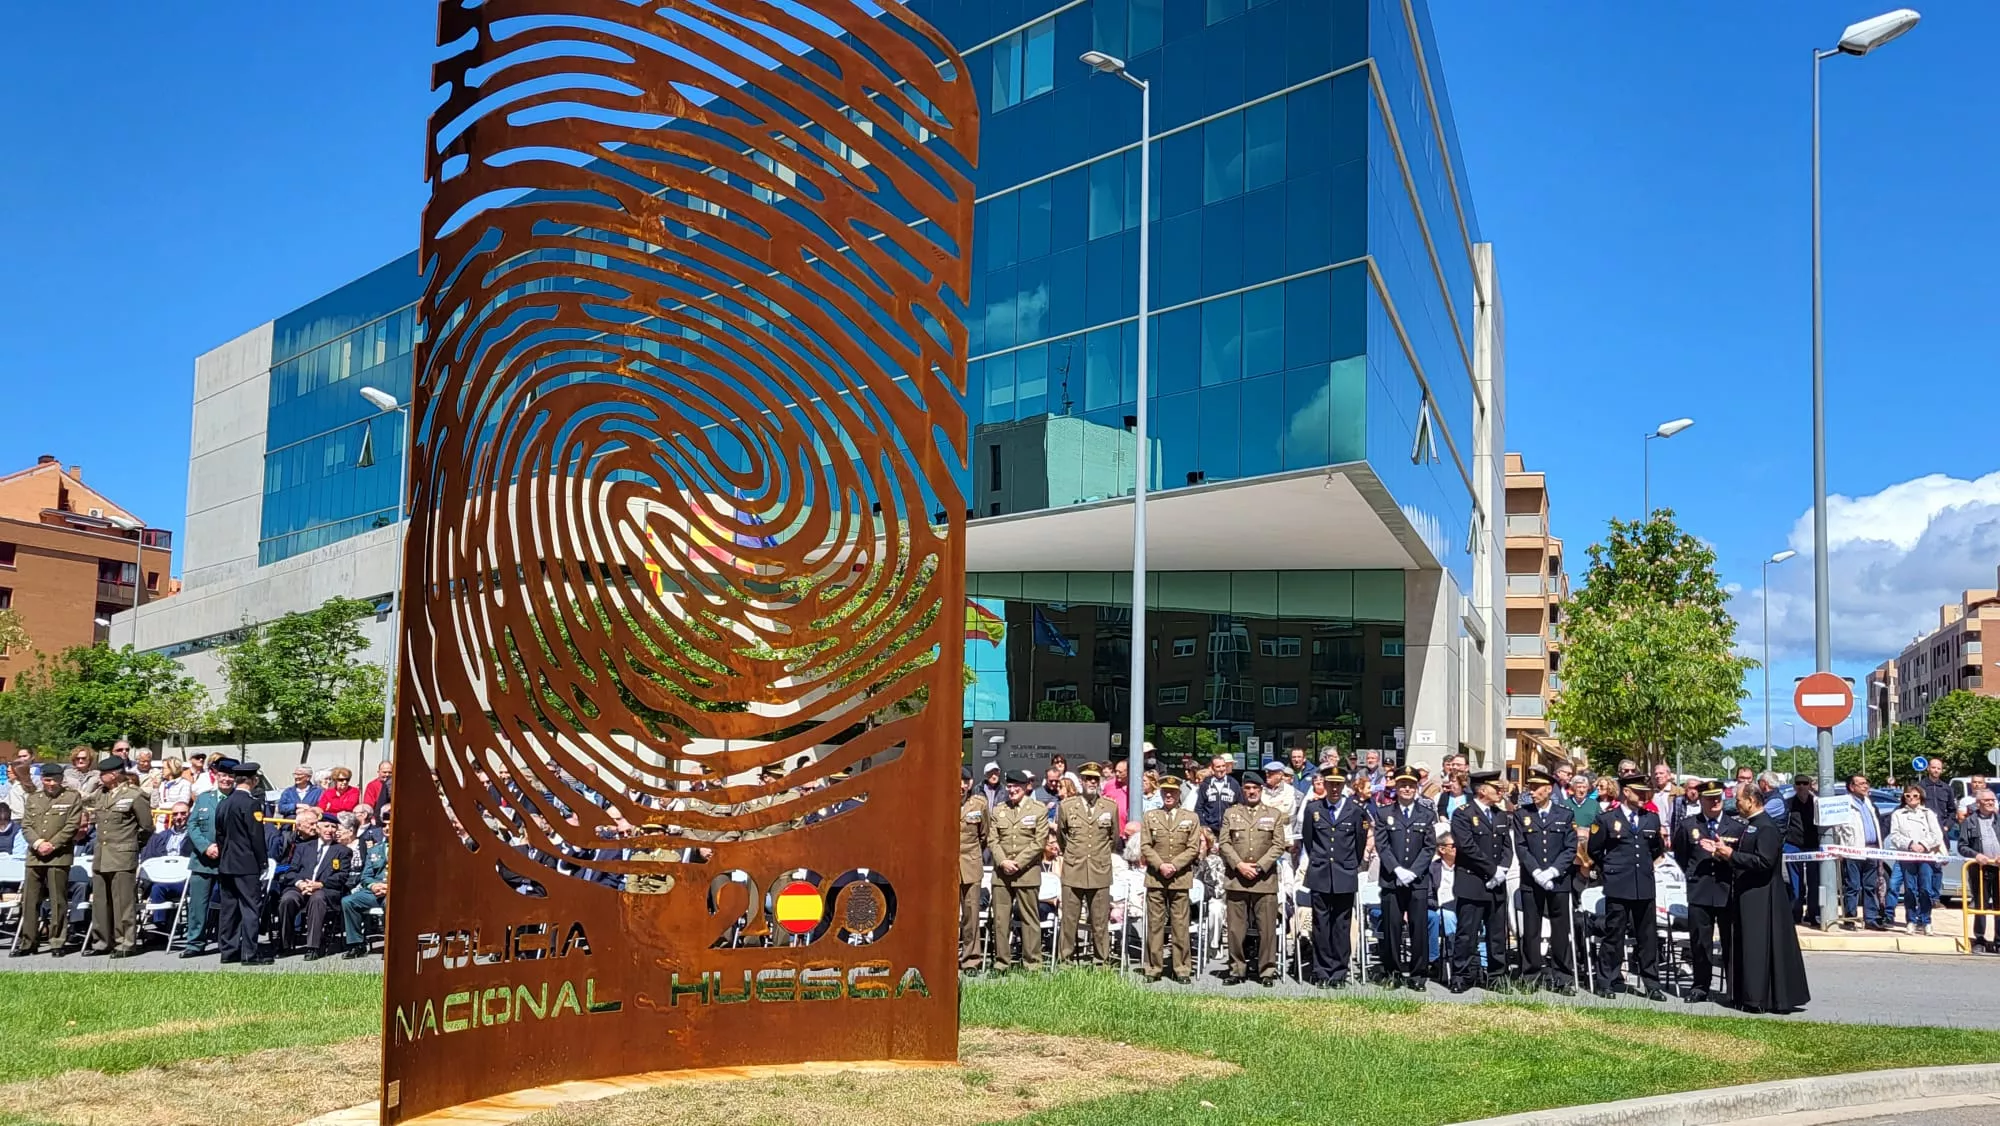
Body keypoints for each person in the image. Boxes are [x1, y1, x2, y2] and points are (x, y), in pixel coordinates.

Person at [1717, 783, 1810, 1012]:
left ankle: (1758, 998)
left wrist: (1732, 856)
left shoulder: (1766, 827)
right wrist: (1726, 855)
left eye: (1739, 800)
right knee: (1747, 944)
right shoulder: (1751, 826)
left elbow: (1764, 861)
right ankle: (1745, 994)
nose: (1736, 804)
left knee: (1758, 945)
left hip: (1763, 895)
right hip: (1748, 893)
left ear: (1751, 800)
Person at [1587, 774, 1667, 1000]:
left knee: (1647, 937)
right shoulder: (1607, 819)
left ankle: (1651, 984)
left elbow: (1655, 849)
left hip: (1643, 884)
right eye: (1639, 792)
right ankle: (1607, 981)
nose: (1644, 796)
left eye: (1646, 792)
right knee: (1614, 935)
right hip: (1618, 884)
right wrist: (1612, 868)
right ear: (1626, 792)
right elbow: (1595, 850)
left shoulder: (1651, 819)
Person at [1671, 781, 1742, 1004]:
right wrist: (1693, 875)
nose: (1715, 802)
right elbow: (1682, 855)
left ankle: (1734, 988)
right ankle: (1700, 986)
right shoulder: (1688, 825)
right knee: (1701, 943)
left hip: (1726, 890)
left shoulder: (1736, 827)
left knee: (1730, 942)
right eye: (1710, 798)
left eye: (1718, 797)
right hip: (1700, 891)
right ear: (1700, 800)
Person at [1299, 767, 1367, 988]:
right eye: (1331, 784)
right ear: (1324, 785)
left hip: (1344, 875)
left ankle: (1338, 971)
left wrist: (1347, 865)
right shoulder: (1313, 809)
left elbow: (1359, 844)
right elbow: (1309, 841)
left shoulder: (1355, 811)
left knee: (1341, 925)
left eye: (1338, 784)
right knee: (1321, 925)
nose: (1335, 788)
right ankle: (1321, 970)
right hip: (1320, 874)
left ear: (1344, 786)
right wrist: (1320, 862)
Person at [1513, 770, 1578, 994]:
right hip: (1532, 881)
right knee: (1531, 930)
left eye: (1536, 788)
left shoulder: (1565, 814)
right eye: (1530, 787)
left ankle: (1563, 978)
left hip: (1558, 881)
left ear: (1549, 789)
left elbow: (1570, 848)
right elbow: (1521, 847)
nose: (1532, 792)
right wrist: (1537, 873)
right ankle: (1530, 976)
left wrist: (1552, 871)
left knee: (1561, 931)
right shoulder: (1522, 814)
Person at [1448, 771, 1512, 992]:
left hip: (1497, 884)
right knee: (1467, 933)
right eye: (1496, 788)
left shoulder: (1501, 815)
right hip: (1472, 882)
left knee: (1496, 934)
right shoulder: (1462, 814)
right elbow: (1467, 847)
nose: (1500, 792)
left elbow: (1506, 847)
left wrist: (1502, 870)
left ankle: (1496, 976)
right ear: (1482, 790)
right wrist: (1492, 870)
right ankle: (1461, 976)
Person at [10, 768, 84, 957]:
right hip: (35, 855)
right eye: (47, 780)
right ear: (42, 779)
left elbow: (72, 825)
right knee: (30, 901)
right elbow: (26, 825)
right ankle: (28, 942)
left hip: (58, 855)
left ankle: (57, 941)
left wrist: (52, 844)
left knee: (58, 901)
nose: (51, 784)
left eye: (55, 780)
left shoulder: (71, 797)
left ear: (61, 780)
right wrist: (37, 843)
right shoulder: (34, 798)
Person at [1219, 771, 1282, 986]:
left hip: (1264, 880)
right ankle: (1237, 969)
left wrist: (1260, 866)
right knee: (1236, 930)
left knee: (1267, 929)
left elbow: (1278, 845)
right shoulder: (1231, 813)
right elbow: (1224, 843)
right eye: (1247, 788)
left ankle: (1266, 971)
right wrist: (1239, 865)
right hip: (1237, 878)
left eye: (1255, 788)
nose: (1251, 792)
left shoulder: (1274, 814)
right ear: (1243, 790)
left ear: (1261, 789)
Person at [85, 757, 153, 958]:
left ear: (114, 774)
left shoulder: (134, 795)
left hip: (123, 855)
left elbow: (147, 827)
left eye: (102, 774)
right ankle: (102, 942)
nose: (100, 778)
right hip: (102, 855)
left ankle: (125, 942)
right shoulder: (101, 794)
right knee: (100, 902)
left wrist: (132, 845)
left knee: (123, 902)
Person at [1374, 769, 1435, 991]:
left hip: (1417, 882)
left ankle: (1418, 974)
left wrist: (1413, 872)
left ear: (1417, 787)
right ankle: (1393, 972)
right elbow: (1382, 845)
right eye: (1403, 785)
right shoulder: (1383, 813)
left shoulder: (1426, 814)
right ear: (1396, 787)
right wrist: (1398, 870)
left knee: (1419, 928)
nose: (1407, 789)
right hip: (1392, 880)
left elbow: (1429, 847)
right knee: (1392, 928)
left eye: (1411, 785)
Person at [1053, 763, 1118, 966]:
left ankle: (1101, 961)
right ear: (1081, 781)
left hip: (1099, 869)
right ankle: (1066, 960)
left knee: (1099, 920)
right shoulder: (1066, 806)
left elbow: (1113, 838)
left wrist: (1098, 854)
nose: (1092, 782)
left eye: (1095, 779)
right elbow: (1062, 837)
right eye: (1088, 778)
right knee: (1070, 919)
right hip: (1074, 868)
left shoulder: (1109, 806)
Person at [1139, 776, 1200, 982]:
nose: (1168, 795)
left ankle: (1181, 968)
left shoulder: (1190, 818)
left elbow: (1193, 848)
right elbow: (1145, 845)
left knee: (1180, 925)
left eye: (1172, 792)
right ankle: (1153, 968)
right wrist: (1160, 865)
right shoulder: (1151, 816)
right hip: (1156, 877)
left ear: (1178, 794)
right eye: (1165, 791)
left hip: (1180, 877)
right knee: (1155, 924)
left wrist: (1174, 865)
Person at [212, 759, 272, 964]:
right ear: (254, 780)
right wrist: (262, 861)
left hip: (226, 862)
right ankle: (249, 953)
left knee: (229, 909)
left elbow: (219, 835)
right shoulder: (251, 803)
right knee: (249, 908)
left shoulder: (223, 802)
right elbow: (256, 836)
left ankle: (228, 951)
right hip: (246, 864)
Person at [988, 769, 1048, 972]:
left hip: (1027, 873)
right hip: (1002, 874)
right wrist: (1003, 861)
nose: (1012, 790)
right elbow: (992, 839)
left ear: (1025, 787)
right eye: (1010, 786)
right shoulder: (998, 810)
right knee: (1000, 920)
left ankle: (1032, 964)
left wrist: (1018, 862)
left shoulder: (1038, 809)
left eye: (1016, 786)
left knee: (1029, 919)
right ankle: (1001, 963)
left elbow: (1039, 842)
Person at [277, 817, 353, 958]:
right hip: (301, 888)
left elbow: (342, 876)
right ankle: (284, 944)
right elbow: (291, 872)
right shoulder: (303, 848)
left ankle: (313, 946)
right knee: (287, 899)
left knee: (317, 899)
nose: (329, 830)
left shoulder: (342, 851)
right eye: (326, 826)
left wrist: (320, 884)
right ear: (318, 828)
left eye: (333, 827)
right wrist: (301, 883)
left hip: (325, 890)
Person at [1828, 774, 1888, 930]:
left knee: (1870, 886)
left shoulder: (1869, 803)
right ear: (1851, 787)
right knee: (1853, 886)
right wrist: (1839, 849)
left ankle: (1871, 918)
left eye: (1866, 783)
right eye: (1861, 784)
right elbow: (1837, 830)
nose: (1865, 786)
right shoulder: (1844, 804)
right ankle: (1850, 918)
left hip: (1872, 850)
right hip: (1852, 850)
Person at [1887, 783, 1945, 936]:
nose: (1911, 798)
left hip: (1925, 857)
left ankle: (1926, 921)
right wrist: (1910, 844)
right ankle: (1911, 920)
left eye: (1915, 796)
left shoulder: (1928, 813)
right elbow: (1894, 835)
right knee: (1910, 890)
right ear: (1904, 797)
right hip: (1907, 856)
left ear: (1921, 797)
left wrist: (1924, 845)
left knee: (1925, 889)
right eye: (1908, 796)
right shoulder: (1898, 814)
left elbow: (1937, 835)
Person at [1958, 789, 2000, 953]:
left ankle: (1998, 940)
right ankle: (1980, 939)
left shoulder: (1998, 819)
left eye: (1992, 800)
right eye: (1987, 800)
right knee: (1980, 903)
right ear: (1978, 803)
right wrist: (1976, 855)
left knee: (1999, 905)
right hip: (1979, 869)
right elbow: (1962, 846)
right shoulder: (1969, 822)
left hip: (1998, 868)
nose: (1991, 803)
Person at [341, 820, 389, 958]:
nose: (386, 828)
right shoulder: (375, 849)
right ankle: (357, 945)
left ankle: (391, 944)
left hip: (395, 893)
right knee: (349, 901)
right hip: (375, 891)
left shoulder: (407, 848)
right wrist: (373, 885)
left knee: (390, 904)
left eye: (390, 825)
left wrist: (388, 887)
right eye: (384, 826)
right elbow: (366, 876)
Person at [956, 767, 988, 973]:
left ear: (970, 783)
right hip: (946, 867)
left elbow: (984, 835)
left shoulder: (979, 804)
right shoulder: (940, 801)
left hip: (970, 864)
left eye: (965, 782)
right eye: (958, 781)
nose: (961, 786)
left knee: (971, 915)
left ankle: (971, 959)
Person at [1784, 775, 1820, 926]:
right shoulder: (1789, 803)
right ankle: (1795, 914)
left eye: (1805, 783)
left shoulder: (1817, 803)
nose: (1801, 786)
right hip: (1793, 846)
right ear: (1794, 786)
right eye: (1798, 783)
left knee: (1814, 882)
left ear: (1810, 785)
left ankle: (1813, 915)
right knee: (1795, 883)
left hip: (1813, 845)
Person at [1193, 755, 1241, 837]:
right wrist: (1203, 825)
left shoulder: (1234, 783)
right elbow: (1198, 808)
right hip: (1210, 829)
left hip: (1229, 829)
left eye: (1223, 766)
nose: (1222, 769)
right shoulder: (1205, 784)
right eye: (1218, 767)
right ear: (1212, 768)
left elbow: (1241, 806)